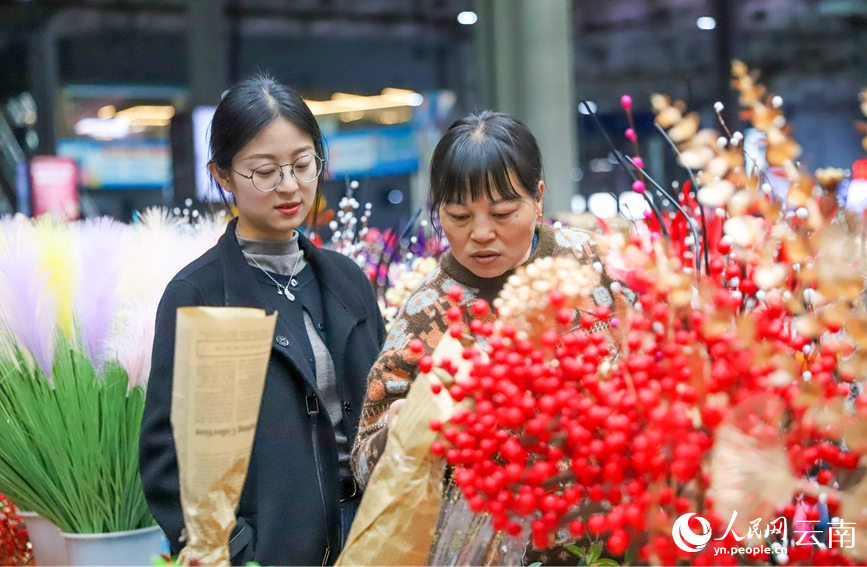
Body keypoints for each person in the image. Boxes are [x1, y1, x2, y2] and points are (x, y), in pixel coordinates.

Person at [349, 111, 628, 561]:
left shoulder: (593, 264)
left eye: (502, 213)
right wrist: (399, 433)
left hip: (619, 539)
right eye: (459, 216)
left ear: (538, 198)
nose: (481, 234)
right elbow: (366, 465)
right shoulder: (427, 314)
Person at [140, 75, 385, 567]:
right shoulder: (199, 294)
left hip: (375, 537)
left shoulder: (347, 280)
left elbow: (386, 399)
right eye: (265, 171)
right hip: (273, 551)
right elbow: (168, 458)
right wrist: (235, 550)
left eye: (302, 164)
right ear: (223, 175)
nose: (289, 186)